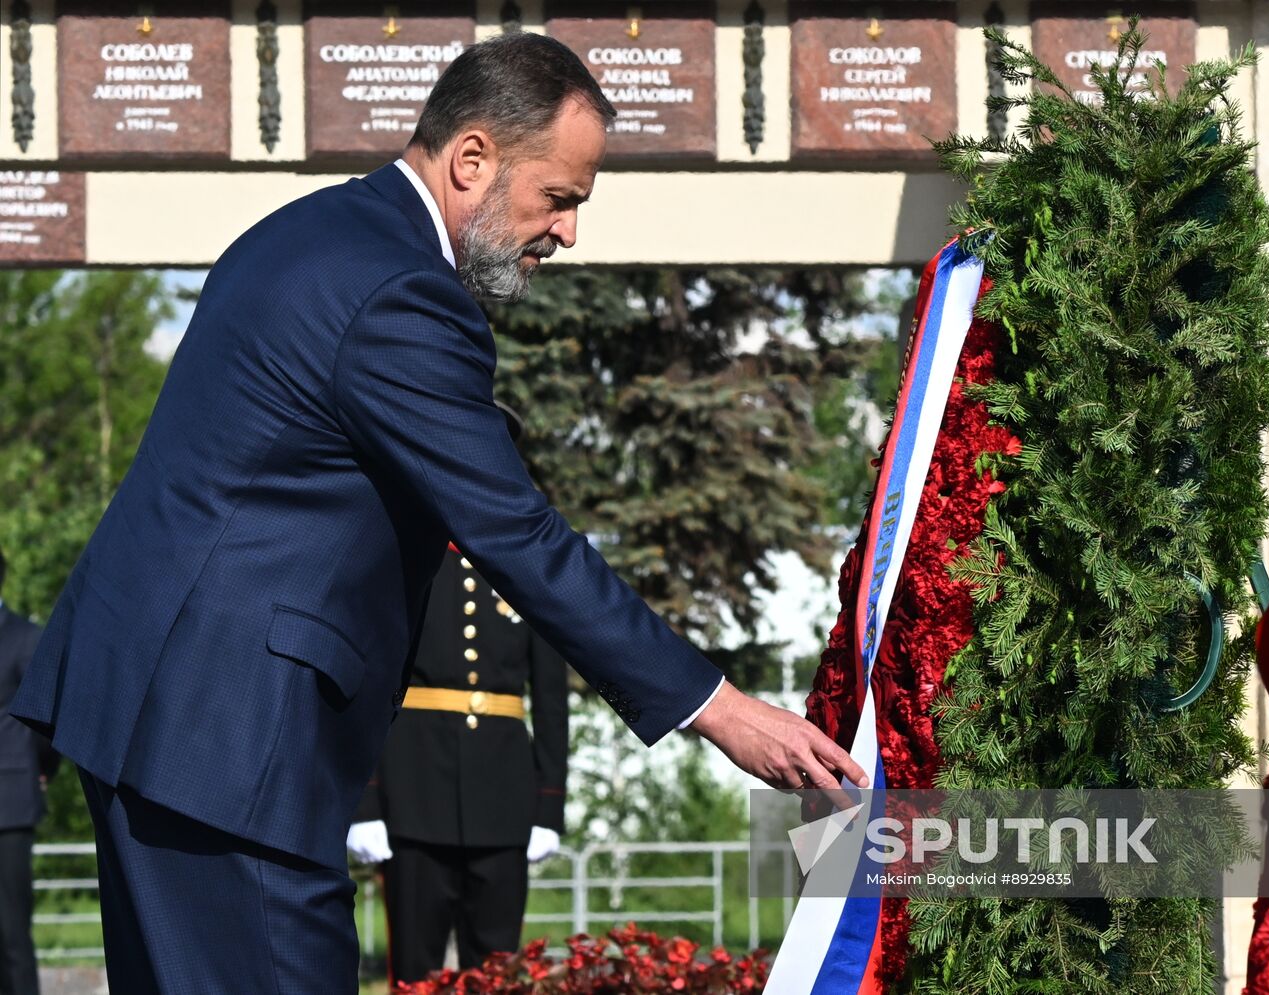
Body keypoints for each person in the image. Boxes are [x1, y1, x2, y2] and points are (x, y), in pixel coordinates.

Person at [11, 32, 865, 993]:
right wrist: (720, 708)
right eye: (561, 197)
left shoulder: (308, 230)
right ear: (473, 159)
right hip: (225, 741)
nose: (569, 233)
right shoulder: (403, 293)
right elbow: (517, 534)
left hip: (156, 709)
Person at [348, 403, 570, 984]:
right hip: (412, 794)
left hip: (505, 799)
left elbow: (550, 700)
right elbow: (367, 684)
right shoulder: (397, 551)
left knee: (496, 971)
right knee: (416, 972)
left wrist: (549, 807)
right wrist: (365, 803)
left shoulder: (529, 566)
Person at [0, 549, 55, 995]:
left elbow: (44, 720)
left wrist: (43, 771)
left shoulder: (25, 638)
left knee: (12, 930)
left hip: (9, 804)